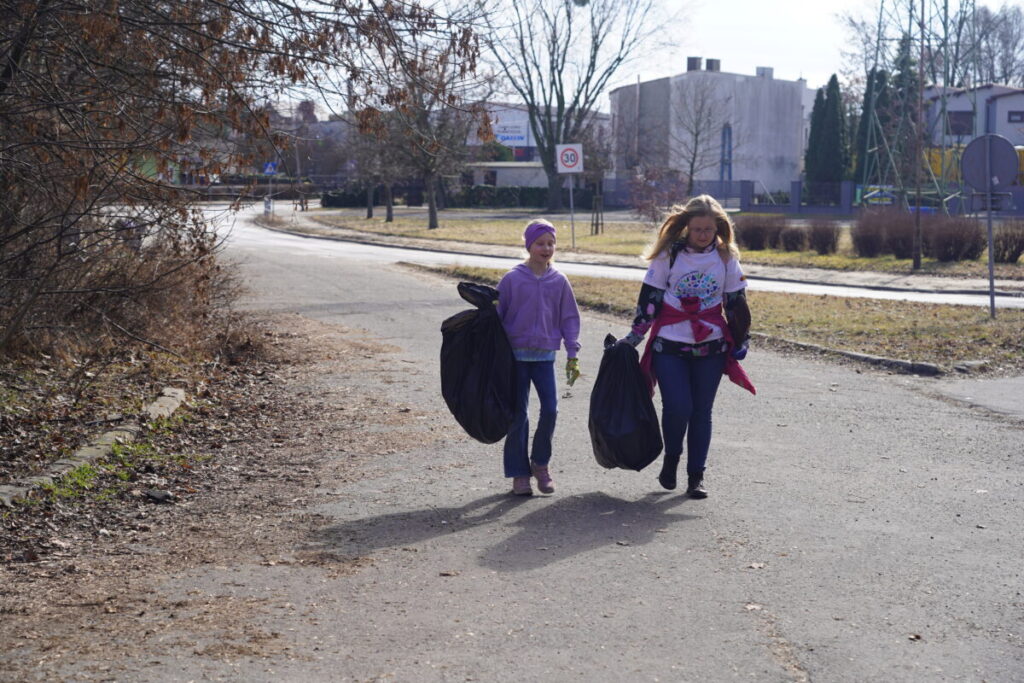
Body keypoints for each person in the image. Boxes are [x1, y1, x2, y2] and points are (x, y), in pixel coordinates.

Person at [620, 195, 754, 498]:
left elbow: (736, 301)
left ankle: (696, 476)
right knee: (678, 407)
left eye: (709, 229)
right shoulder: (669, 255)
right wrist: (636, 335)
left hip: (711, 345)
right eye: (698, 230)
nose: (704, 235)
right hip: (671, 342)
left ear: (718, 228)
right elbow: (650, 297)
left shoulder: (726, 257)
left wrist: (741, 337)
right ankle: (671, 460)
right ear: (686, 228)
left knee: (701, 411)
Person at [497, 219, 582, 496]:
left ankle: (540, 464)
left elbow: (569, 317)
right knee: (518, 415)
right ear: (529, 246)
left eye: (550, 243)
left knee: (551, 410)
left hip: (545, 356)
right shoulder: (512, 279)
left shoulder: (559, 281)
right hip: (516, 357)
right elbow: (498, 318)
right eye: (540, 243)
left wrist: (572, 352)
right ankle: (519, 473)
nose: (546, 248)